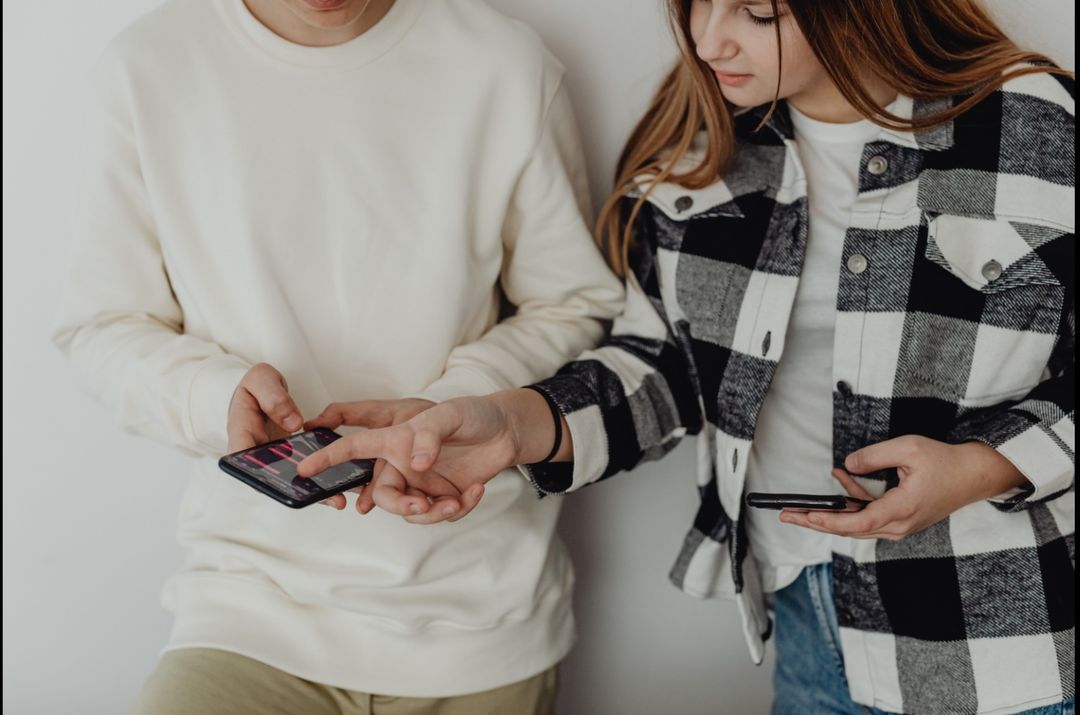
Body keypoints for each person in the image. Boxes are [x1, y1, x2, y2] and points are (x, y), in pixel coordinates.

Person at [298, 1, 1076, 713]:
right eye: (695, 3)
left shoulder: (1032, 125)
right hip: (810, 627)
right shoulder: (700, 156)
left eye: (757, 12)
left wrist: (983, 465)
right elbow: (662, 371)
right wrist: (513, 424)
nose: (708, 40)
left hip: (1012, 649)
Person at [51, 0, 625, 712]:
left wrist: (458, 400)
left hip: (476, 612)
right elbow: (104, 324)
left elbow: (574, 302)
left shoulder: (504, 64)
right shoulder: (149, 68)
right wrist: (213, 396)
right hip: (249, 606)